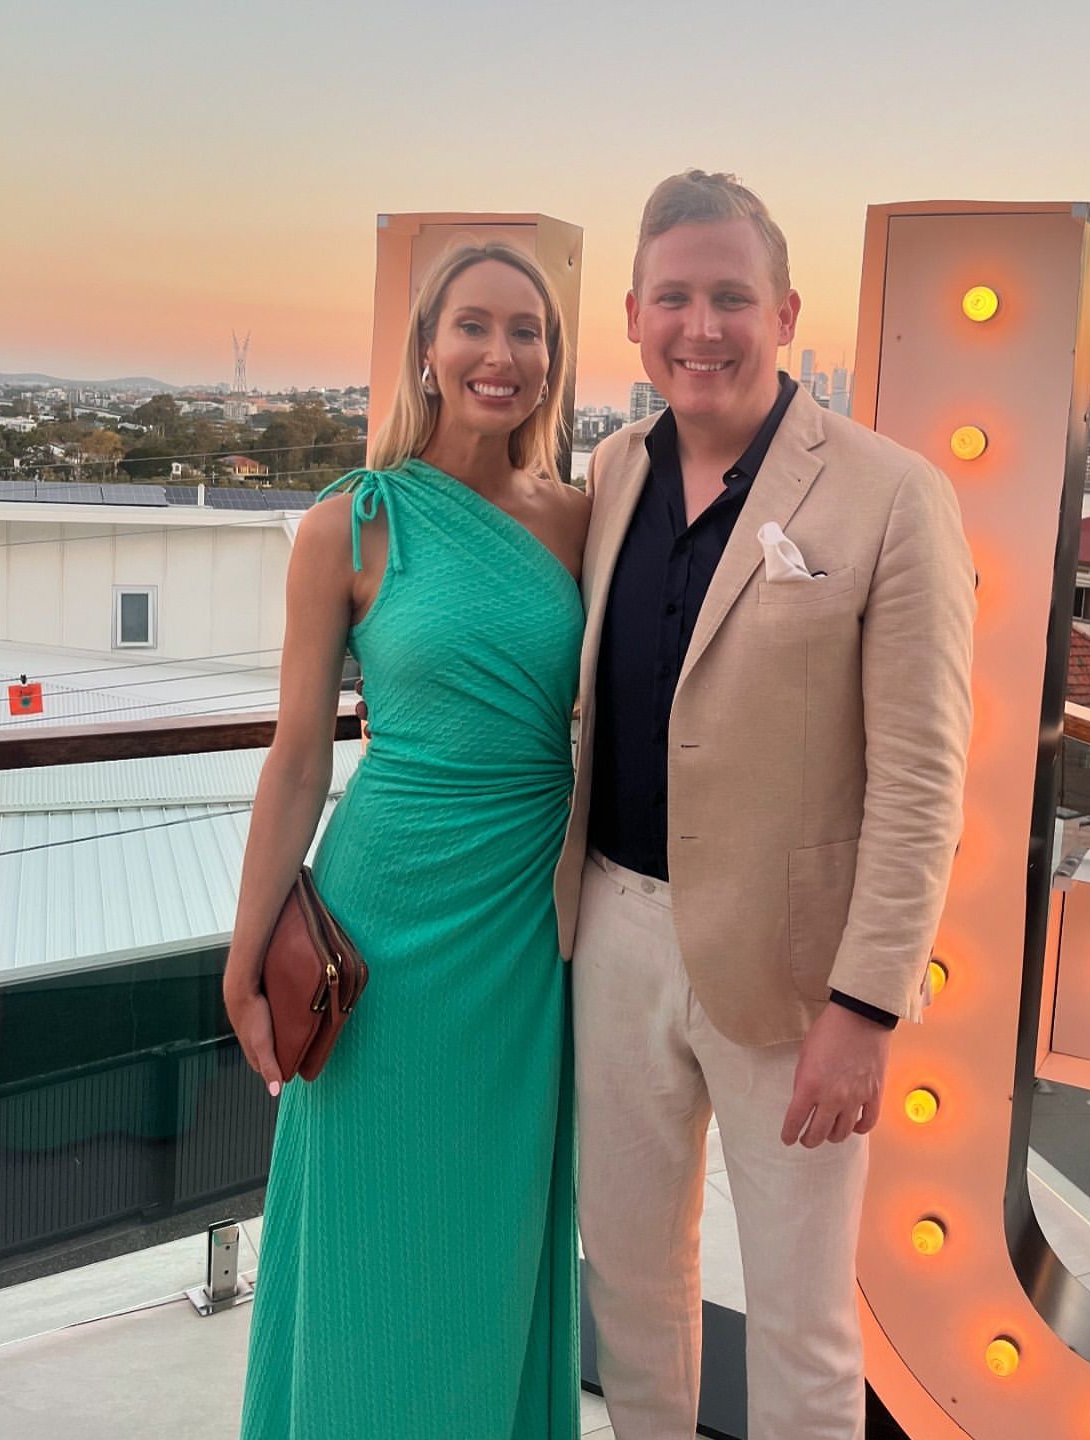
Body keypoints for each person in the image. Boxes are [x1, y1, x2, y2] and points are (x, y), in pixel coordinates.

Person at [554, 172, 975, 1439]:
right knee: (632, 1288)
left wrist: (866, 1005)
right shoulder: (611, 470)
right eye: (674, 298)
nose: (703, 327)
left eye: (731, 297)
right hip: (613, 935)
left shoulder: (892, 492)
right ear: (635, 315)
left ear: (785, 313)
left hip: (796, 977)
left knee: (800, 1321)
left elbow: (921, 776)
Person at [226, 242, 589, 1439]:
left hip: (524, 927)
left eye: (528, 330)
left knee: (492, 1237)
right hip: (380, 924)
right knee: (365, 1238)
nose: (502, 353)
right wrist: (244, 952)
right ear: (427, 350)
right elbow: (298, 757)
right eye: (473, 326)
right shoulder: (348, 523)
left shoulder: (583, 521)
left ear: (553, 358)